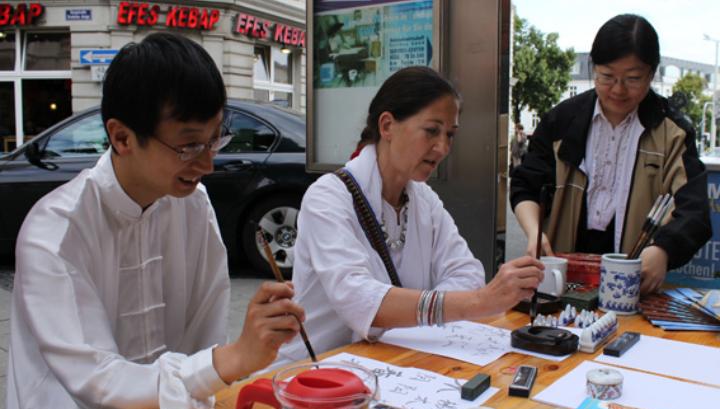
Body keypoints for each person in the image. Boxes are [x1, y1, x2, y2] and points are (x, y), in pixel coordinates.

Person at [2, 32, 305, 409]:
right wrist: (228, 360)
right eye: (188, 145)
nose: (208, 161)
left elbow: (205, 328)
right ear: (122, 138)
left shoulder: (192, 204)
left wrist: (233, 355)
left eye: (215, 138)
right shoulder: (56, 231)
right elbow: (98, 379)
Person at [274, 66, 543, 366]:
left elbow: (467, 273)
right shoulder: (328, 198)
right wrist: (477, 302)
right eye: (431, 131)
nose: (442, 148)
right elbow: (358, 299)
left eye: (450, 135)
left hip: (395, 364)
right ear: (387, 125)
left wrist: (412, 311)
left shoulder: (424, 200)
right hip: (318, 375)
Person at [511, 14, 711, 294]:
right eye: (607, 77)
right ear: (594, 69)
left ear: (652, 74)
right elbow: (526, 185)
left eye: (632, 79)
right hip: (561, 278)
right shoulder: (562, 121)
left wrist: (664, 250)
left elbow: (694, 211)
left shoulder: (673, 133)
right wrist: (534, 232)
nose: (618, 89)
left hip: (632, 282)